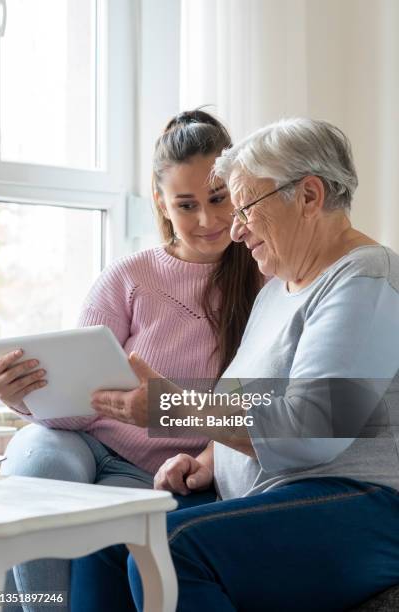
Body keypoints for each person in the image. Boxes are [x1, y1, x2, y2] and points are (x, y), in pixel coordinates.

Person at [73, 118, 399, 612]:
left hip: (361, 505)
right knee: (104, 536)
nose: (237, 227)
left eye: (245, 205)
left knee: (171, 547)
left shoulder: (366, 277)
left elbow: (314, 426)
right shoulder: (276, 292)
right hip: (271, 497)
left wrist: (173, 408)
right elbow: (240, 406)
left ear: (309, 196)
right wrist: (205, 461)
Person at [0, 109, 261, 611]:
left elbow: (258, 412)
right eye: (186, 204)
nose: (207, 219)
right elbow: (80, 405)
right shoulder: (127, 277)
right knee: (37, 455)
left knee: (101, 533)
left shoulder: (264, 277)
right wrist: (26, 398)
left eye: (218, 198)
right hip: (91, 445)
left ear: (237, 187)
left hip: (174, 469)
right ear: (161, 203)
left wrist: (203, 456)